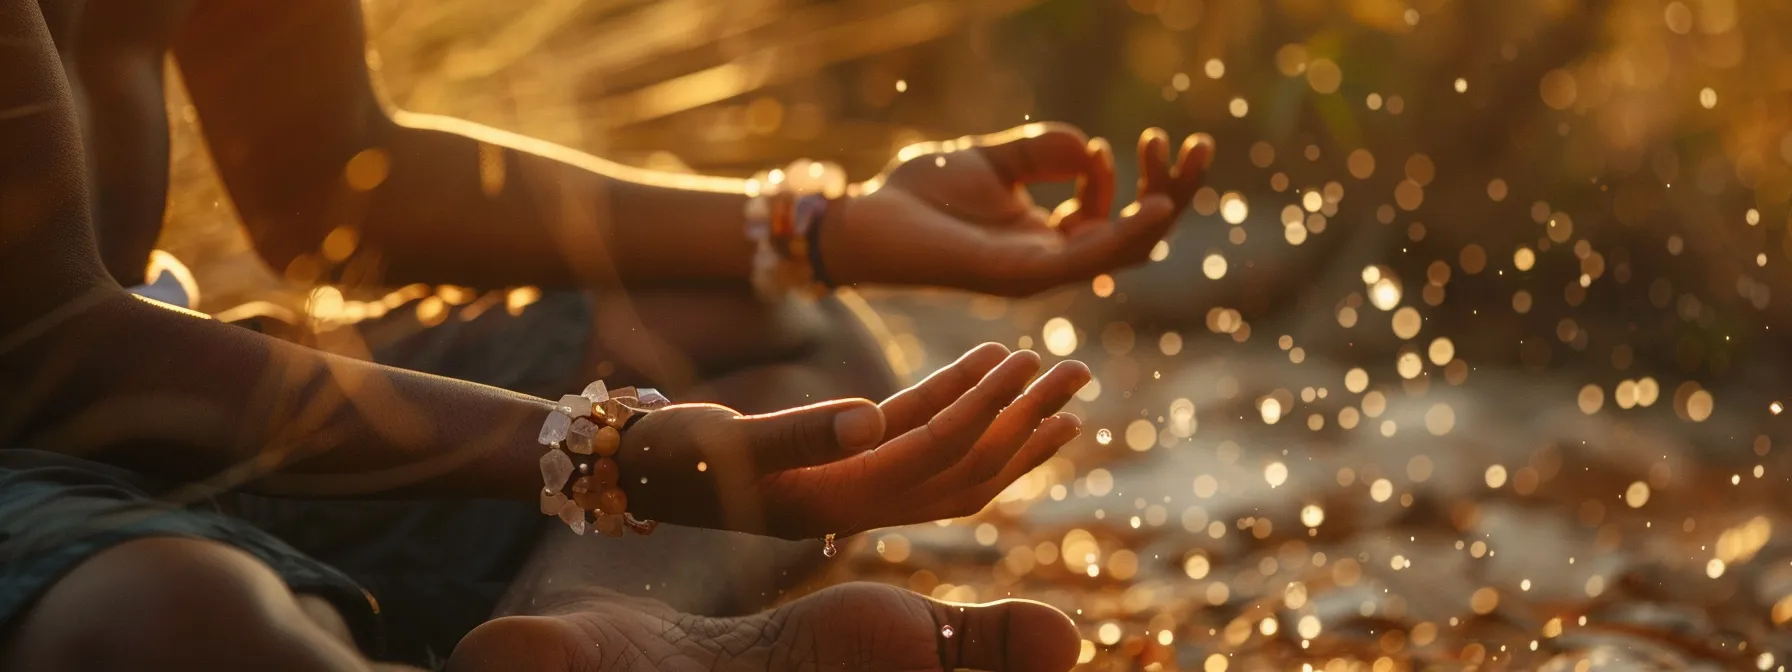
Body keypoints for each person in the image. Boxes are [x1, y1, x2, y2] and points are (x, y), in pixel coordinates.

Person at [0, 1, 1213, 671]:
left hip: (159, 377)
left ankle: (607, 636)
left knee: (765, 333)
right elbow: (51, 349)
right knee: (179, 622)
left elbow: (328, 174)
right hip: (42, 421)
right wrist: (609, 457)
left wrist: (828, 226)